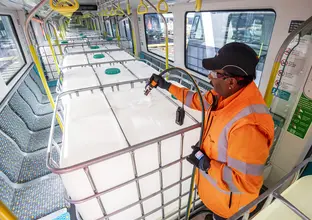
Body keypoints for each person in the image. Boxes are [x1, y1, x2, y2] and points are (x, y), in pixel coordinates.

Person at [148, 42, 274, 220]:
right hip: (218, 197)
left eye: (215, 73)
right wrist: (167, 86)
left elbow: (246, 184)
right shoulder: (225, 94)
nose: (209, 77)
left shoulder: (248, 126)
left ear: (231, 80)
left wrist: (207, 165)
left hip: (231, 207)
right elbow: (196, 100)